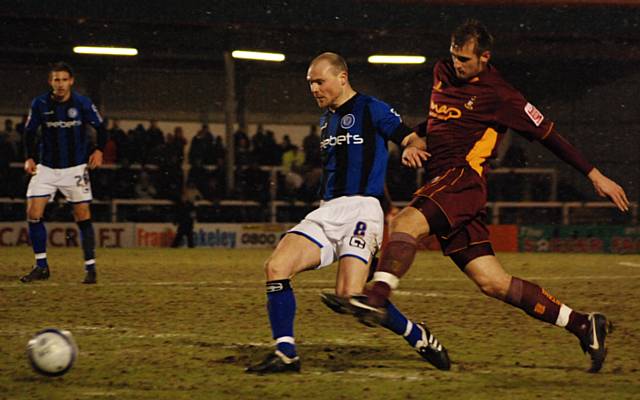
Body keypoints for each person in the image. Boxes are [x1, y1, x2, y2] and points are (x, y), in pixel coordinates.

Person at [342, 19, 630, 373]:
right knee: (493, 282)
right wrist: (413, 139)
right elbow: (438, 122)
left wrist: (594, 174)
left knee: (405, 221)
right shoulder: (442, 72)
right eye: (453, 56)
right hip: (443, 185)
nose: (457, 64)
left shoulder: (501, 95)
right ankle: (584, 325)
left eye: (464, 59)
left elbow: (549, 135)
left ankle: (378, 298)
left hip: (462, 181)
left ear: (484, 57)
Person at [246, 52, 449, 374]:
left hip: (362, 211)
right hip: (327, 211)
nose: (314, 88)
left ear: (342, 77)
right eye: (310, 83)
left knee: (352, 297)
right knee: (276, 266)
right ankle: (286, 353)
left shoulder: (371, 108)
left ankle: (415, 334)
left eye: (320, 81)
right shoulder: (326, 119)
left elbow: (408, 135)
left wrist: (410, 146)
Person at [20, 62, 107, 284]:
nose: (60, 84)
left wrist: (99, 150)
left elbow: (101, 128)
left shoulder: (82, 103)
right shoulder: (40, 103)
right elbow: (29, 133)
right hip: (46, 167)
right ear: (51, 82)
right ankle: (41, 266)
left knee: (82, 215)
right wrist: (29, 157)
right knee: (33, 211)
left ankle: (90, 268)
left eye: (63, 79)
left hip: (75, 168)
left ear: (71, 81)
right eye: (56, 80)